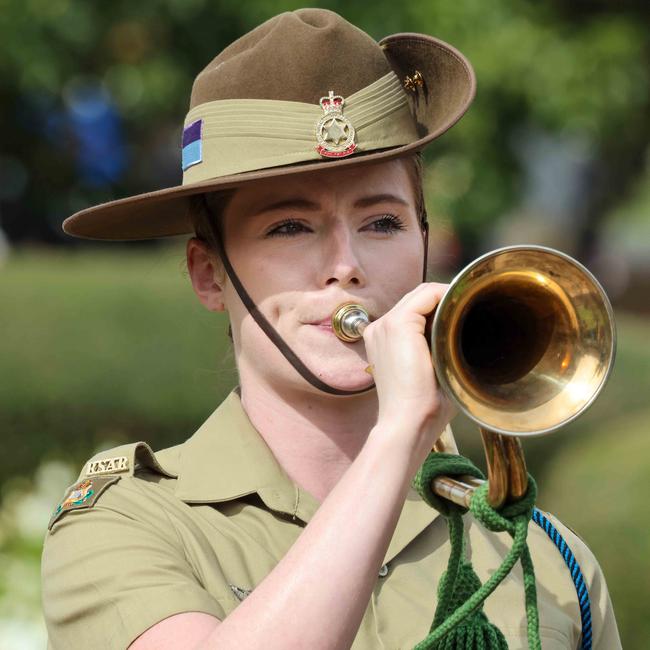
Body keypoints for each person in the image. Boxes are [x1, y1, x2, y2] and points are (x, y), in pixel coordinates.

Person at [40, 8, 621, 649]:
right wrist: (398, 436)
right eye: (290, 226)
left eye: (383, 223)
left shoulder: (544, 556)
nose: (346, 266)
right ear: (209, 274)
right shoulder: (127, 520)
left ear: (428, 241)